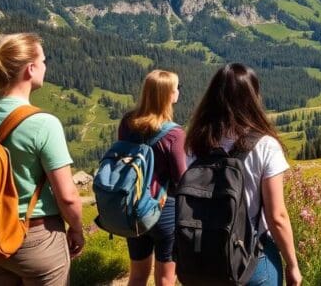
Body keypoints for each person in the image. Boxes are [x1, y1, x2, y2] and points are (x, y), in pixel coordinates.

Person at [0, 33, 84, 285]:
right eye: (43, 60)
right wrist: (76, 228)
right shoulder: (43, 123)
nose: (45, 66)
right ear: (30, 69)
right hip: (35, 237)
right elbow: (67, 196)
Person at [184, 63, 302, 286]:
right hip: (252, 256)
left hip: (203, 257)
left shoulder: (195, 144)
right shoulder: (265, 145)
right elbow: (277, 217)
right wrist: (292, 265)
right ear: (253, 97)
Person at [118, 70, 187, 286]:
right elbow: (181, 179)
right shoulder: (173, 134)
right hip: (163, 211)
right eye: (176, 88)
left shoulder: (128, 123)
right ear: (168, 95)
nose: (178, 91)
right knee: (165, 279)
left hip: (133, 209)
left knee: (137, 276)